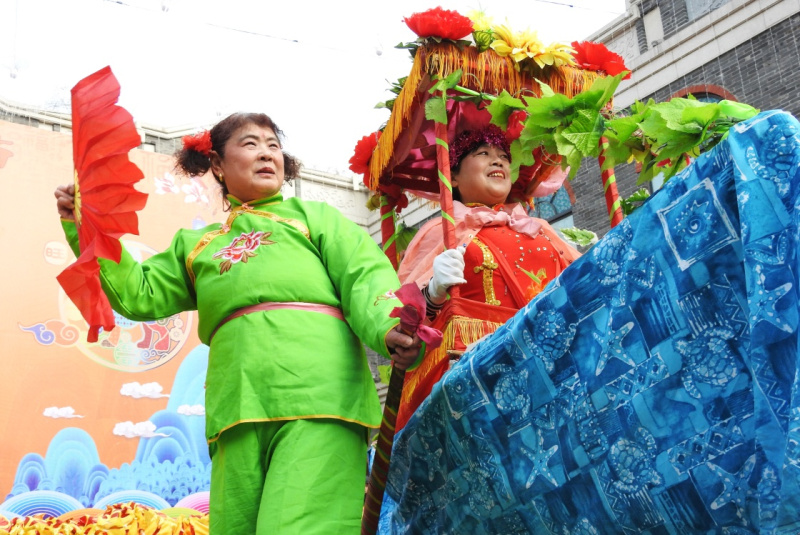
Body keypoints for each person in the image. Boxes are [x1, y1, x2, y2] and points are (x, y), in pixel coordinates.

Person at [54, 112, 422, 535]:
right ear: (217, 166)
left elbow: (365, 277)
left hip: (321, 398)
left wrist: (389, 324)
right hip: (236, 409)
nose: (266, 153)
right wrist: (87, 226)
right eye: (250, 144)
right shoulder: (195, 246)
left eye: (272, 144)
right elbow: (137, 293)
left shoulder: (315, 218)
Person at [394, 124, 581, 430]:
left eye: (503, 156)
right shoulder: (442, 231)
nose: (498, 161)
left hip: (549, 366)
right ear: (452, 176)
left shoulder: (540, 229)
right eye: (483, 154)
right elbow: (403, 326)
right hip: (478, 373)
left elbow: (577, 288)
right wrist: (433, 293)